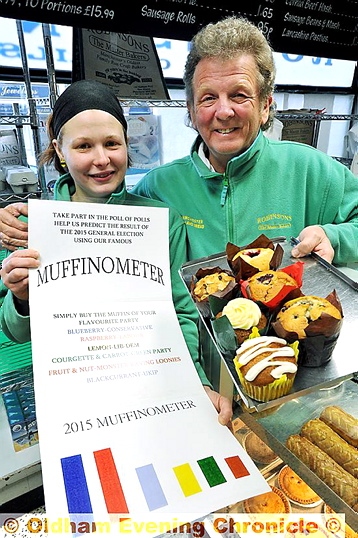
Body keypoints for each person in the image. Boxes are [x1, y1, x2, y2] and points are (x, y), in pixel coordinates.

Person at [2, 17, 357, 264]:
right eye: (207, 98)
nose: (224, 111)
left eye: (239, 95)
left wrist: (335, 239)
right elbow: (104, 225)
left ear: (265, 106)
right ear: (190, 109)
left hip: (291, 360)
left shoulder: (311, 170)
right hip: (194, 363)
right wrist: (41, 220)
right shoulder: (159, 188)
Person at [0, 79, 232, 425]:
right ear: (60, 151)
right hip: (76, 394)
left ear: (127, 144)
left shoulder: (161, 222)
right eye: (83, 146)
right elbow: (16, 331)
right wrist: (21, 298)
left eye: (112, 143)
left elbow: (181, 312)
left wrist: (193, 380)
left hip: (153, 389)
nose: (101, 159)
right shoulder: (34, 223)